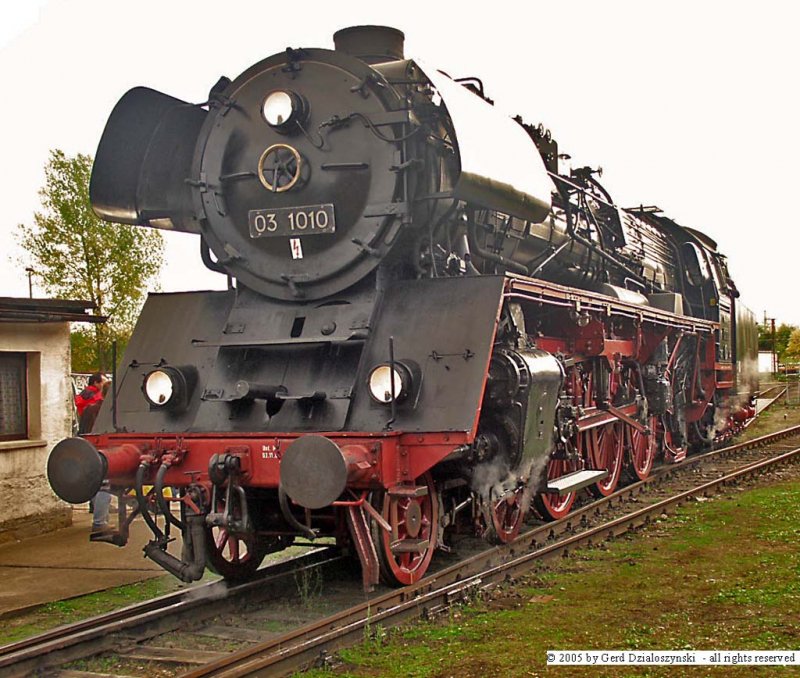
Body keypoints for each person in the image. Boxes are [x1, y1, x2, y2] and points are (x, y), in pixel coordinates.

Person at [76, 373, 112, 534]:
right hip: (104, 450)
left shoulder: (90, 408)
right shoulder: (110, 412)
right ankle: (100, 522)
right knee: (105, 485)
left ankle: (97, 512)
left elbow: (82, 430)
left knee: (93, 482)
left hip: (88, 448)